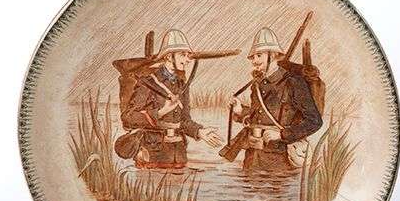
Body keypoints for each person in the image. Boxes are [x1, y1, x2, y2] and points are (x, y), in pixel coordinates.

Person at [117, 29, 224, 170]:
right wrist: (160, 112)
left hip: (178, 155)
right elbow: (128, 117)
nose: (187, 60)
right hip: (152, 155)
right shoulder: (147, 82)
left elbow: (184, 121)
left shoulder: (181, 84)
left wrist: (199, 132)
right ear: (168, 56)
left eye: (188, 55)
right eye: (182, 55)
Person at [226, 26, 323, 172]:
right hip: (252, 160)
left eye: (259, 55)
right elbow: (259, 117)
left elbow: (314, 121)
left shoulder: (293, 82)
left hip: (279, 164)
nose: (254, 61)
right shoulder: (257, 84)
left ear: (273, 55)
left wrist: (282, 134)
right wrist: (240, 111)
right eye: (252, 57)